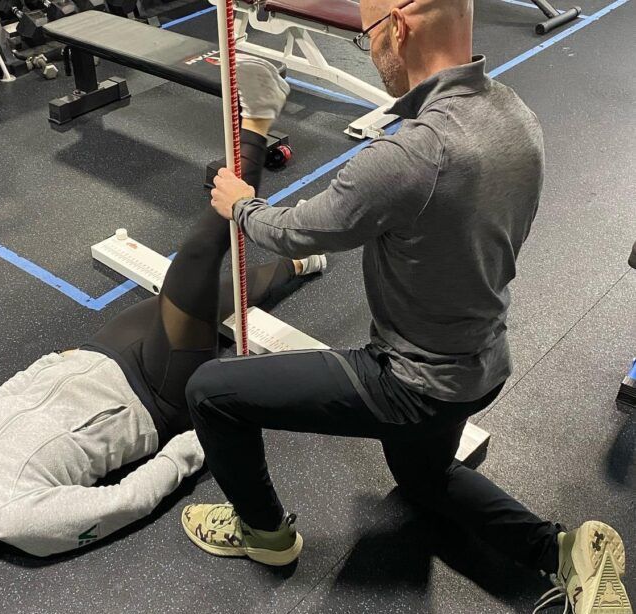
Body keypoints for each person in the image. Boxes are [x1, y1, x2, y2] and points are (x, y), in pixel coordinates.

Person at [180, 2, 632, 614]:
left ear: (398, 27)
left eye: (367, 35)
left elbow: (293, 231)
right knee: (422, 481)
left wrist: (239, 202)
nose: (369, 50)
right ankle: (561, 550)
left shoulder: (411, 155)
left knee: (211, 390)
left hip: (410, 383)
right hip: (483, 364)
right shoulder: (518, 118)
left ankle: (266, 536)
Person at [0, 57, 326, 600]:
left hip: (100, 357)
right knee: (192, 265)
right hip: (155, 396)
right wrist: (201, 441)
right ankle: (258, 123)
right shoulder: (22, 524)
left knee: (207, 295)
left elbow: (1, 394)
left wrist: (55, 362)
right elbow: (126, 501)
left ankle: (297, 264)